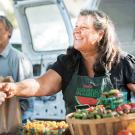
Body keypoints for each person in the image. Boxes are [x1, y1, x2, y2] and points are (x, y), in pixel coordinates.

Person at [0, 9, 135, 114]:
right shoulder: (67, 62)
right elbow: (40, 84)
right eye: (76, 26)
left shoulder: (122, 62)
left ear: (100, 34)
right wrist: (14, 87)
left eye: (84, 28)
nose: (76, 31)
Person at [0, 16, 33, 120]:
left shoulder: (19, 59)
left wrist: (14, 120)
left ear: (9, 32)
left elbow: (26, 97)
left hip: (13, 121)